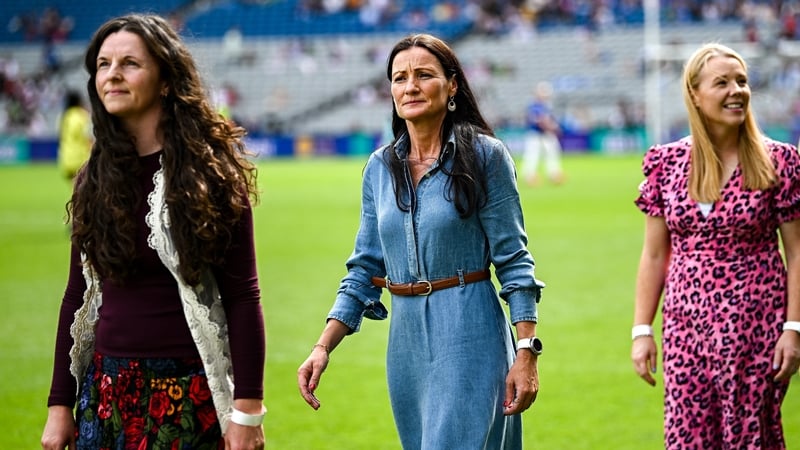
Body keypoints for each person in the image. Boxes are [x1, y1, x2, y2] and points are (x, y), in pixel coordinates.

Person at [297, 33, 545, 449]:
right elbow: (363, 269)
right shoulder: (379, 167)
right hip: (406, 345)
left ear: (452, 86)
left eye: (423, 75)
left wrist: (527, 351)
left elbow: (514, 260)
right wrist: (323, 346)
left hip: (471, 333)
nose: (409, 86)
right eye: (399, 78)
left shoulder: (487, 157)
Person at [40, 14, 266, 450]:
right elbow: (77, 296)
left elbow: (243, 299)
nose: (112, 75)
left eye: (129, 64)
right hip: (104, 394)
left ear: (165, 80)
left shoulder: (212, 178)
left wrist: (247, 411)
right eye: (103, 65)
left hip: (187, 394)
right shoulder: (93, 178)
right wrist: (59, 405)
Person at [632, 42, 800, 449]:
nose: (736, 91)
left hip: (757, 324)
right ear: (694, 94)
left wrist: (793, 329)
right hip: (686, 325)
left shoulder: (779, 161)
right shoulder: (666, 164)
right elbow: (655, 254)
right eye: (722, 82)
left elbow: (797, 253)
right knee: (687, 438)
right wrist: (642, 329)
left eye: (741, 81)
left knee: (750, 436)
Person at [520, 81, 564, 186]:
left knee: (552, 154)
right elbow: (541, 121)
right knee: (532, 155)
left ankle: (554, 174)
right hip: (535, 134)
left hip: (545, 134)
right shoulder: (535, 106)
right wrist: (553, 128)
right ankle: (529, 176)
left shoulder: (545, 106)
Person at [56, 90, 92, 181]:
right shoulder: (81, 116)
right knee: (82, 189)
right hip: (80, 158)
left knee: (75, 189)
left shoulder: (63, 117)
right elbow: (89, 137)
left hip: (66, 158)